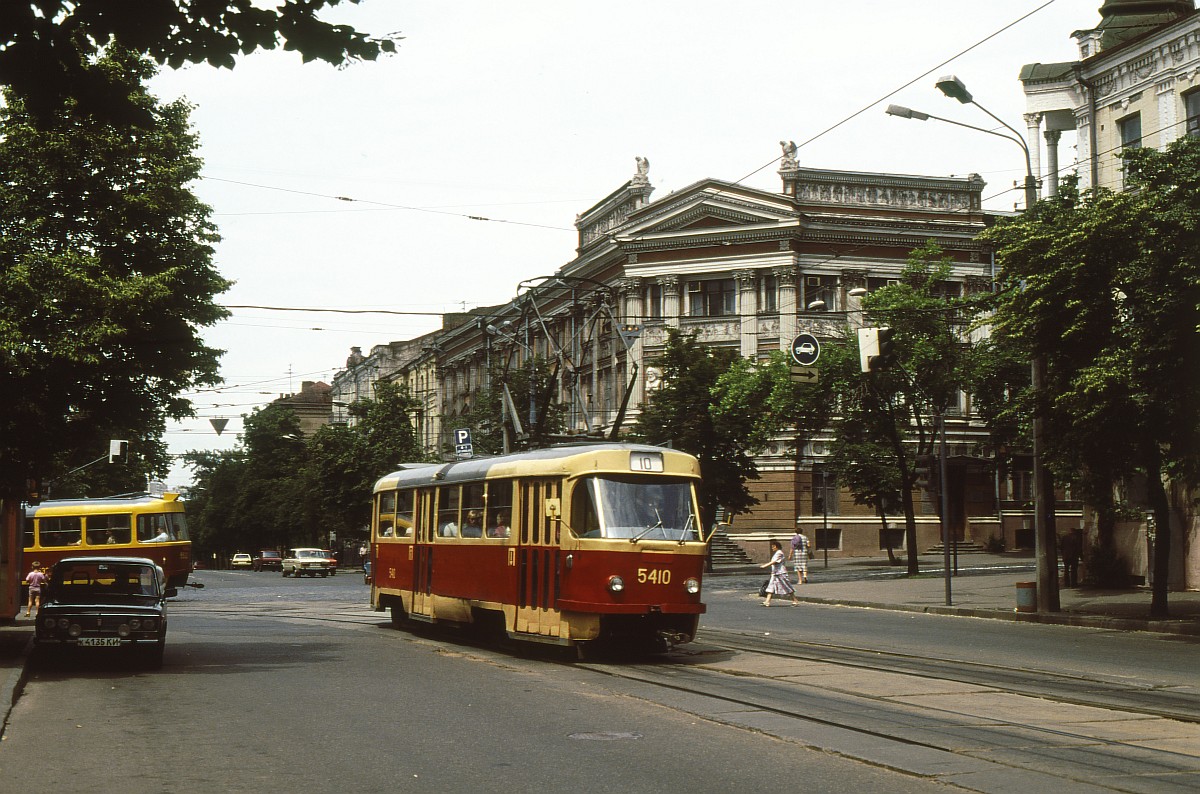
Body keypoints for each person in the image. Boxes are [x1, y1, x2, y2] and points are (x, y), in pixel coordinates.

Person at [759, 540, 798, 607]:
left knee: (786, 586)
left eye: (773, 546)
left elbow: (774, 561)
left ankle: (795, 600)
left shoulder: (779, 553)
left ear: (776, 547)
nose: (772, 548)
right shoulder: (777, 553)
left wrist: (765, 565)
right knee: (771, 586)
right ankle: (767, 602)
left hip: (780, 573)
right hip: (775, 573)